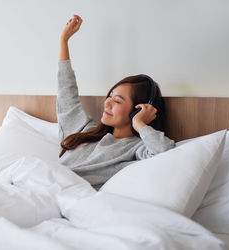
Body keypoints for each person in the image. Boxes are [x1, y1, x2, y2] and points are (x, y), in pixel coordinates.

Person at [57, 14, 175, 190]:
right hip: (42, 181)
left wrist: (139, 123)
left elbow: (167, 155)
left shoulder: (136, 149)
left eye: (117, 100)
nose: (107, 103)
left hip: (67, 194)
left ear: (137, 109)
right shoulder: (85, 131)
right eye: (110, 96)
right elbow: (67, 94)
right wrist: (63, 41)